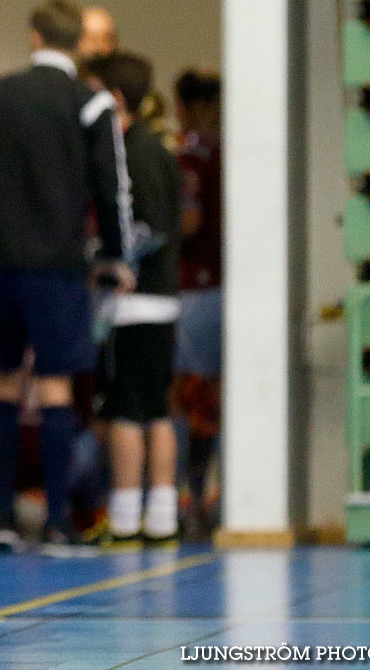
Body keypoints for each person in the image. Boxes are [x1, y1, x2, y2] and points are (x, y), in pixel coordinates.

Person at [0, 0, 134, 552]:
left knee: (4, 379)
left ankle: (4, 518)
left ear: (34, 36)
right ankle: (57, 520)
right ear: (78, 42)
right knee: (56, 385)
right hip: (58, 265)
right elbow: (112, 188)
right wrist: (115, 254)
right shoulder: (91, 104)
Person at [92, 53, 182, 543]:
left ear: (116, 99)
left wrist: (112, 261)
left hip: (139, 299)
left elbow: (150, 225)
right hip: (162, 297)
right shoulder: (158, 148)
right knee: (157, 406)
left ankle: (127, 516)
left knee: (128, 407)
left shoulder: (135, 152)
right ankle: (162, 513)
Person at [174, 68, 222, 539]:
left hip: (196, 291)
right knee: (218, 401)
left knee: (187, 400)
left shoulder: (191, 155)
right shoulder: (237, 149)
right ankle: (217, 498)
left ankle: (185, 498)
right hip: (229, 288)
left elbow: (189, 221)